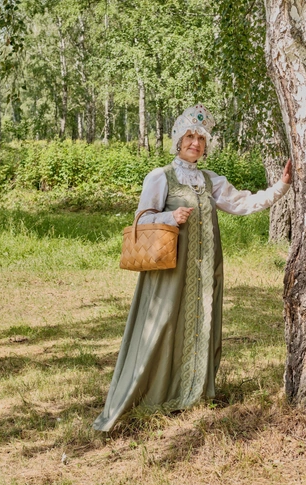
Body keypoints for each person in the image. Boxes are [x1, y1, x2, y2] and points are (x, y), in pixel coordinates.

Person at [93, 104, 291, 432]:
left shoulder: (210, 181)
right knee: (164, 327)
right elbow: (142, 219)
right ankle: (154, 394)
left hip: (203, 272)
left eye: (201, 138)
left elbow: (244, 203)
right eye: (189, 136)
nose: (195, 143)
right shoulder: (160, 177)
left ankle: (192, 392)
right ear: (178, 140)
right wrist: (171, 217)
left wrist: (281, 186)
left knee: (200, 324)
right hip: (169, 272)